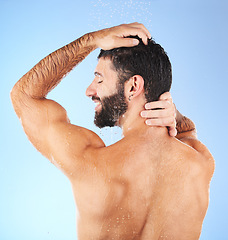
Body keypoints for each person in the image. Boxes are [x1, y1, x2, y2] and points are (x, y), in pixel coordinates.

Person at [11, 23, 214, 240]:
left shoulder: (90, 162)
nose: (90, 90)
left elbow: (23, 96)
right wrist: (175, 114)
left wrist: (90, 40)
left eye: (99, 78)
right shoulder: (199, 162)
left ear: (133, 87)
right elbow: (186, 131)